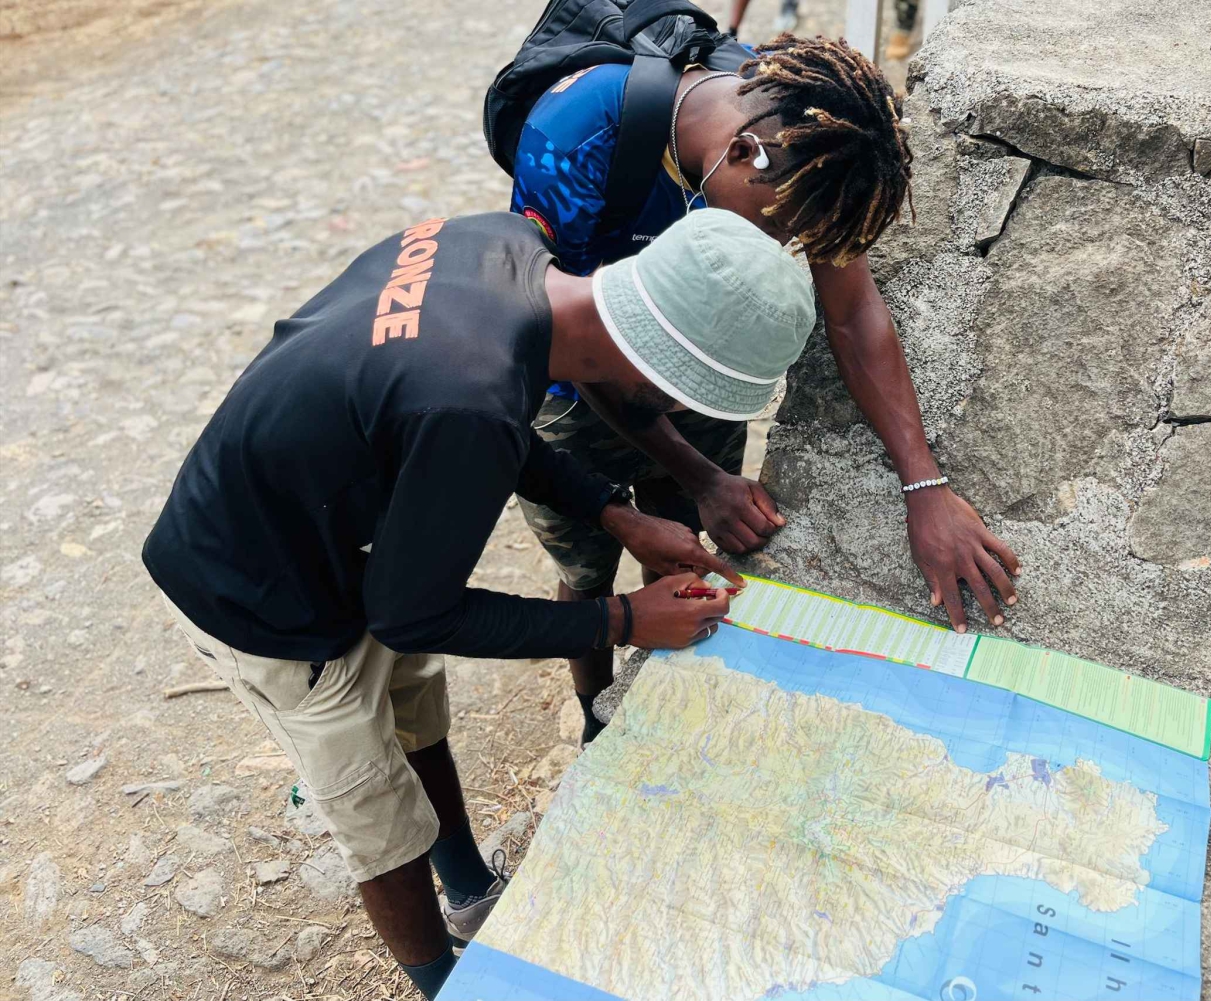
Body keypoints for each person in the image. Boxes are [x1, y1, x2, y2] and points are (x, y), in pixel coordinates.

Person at [141, 208, 815, 999]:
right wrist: (626, 619)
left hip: (332, 529)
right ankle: (446, 985)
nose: (672, 413)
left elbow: (486, 420)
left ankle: (465, 885)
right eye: (680, 398)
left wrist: (615, 512)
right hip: (255, 589)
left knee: (413, 706)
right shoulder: (471, 402)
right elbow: (411, 611)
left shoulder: (504, 247)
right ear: (652, 369)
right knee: (378, 814)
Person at [508, 34, 1021, 744]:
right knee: (586, 564)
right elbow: (575, 340)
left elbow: (854, 313)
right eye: (779, 230)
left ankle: (651, 693)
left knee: (679, 536)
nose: (779, 248)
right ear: (743, 153)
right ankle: (595, 709)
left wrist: (924, 486)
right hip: (576, 392)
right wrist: (704, 476)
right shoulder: (573, 141)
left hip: (707, 373)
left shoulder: (811, 142)